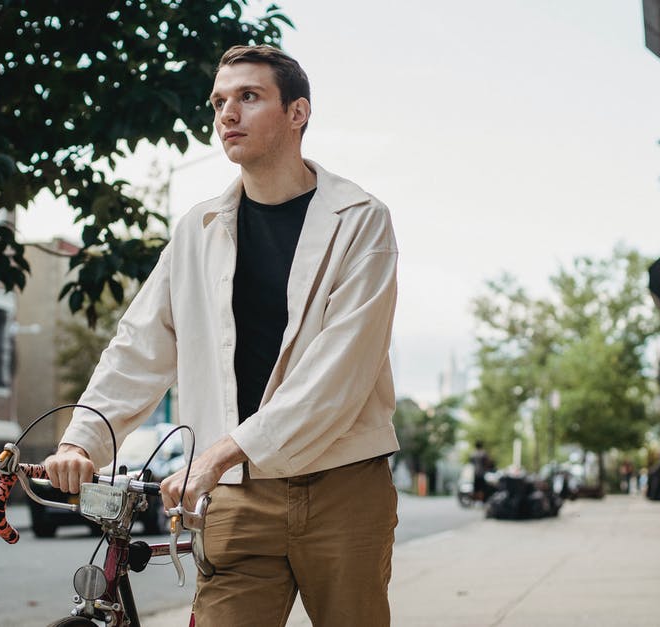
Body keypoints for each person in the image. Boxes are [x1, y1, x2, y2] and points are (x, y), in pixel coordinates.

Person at [43, 45, 401, 626]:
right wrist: (82, 440)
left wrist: (218, 454)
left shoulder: (360, 219)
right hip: (236, 493)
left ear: (297, 113)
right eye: (219, 102)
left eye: (248, 97)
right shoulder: (198, 230)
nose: (227, 114)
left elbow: (337, 376)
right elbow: (140, 346)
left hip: (342, 488)